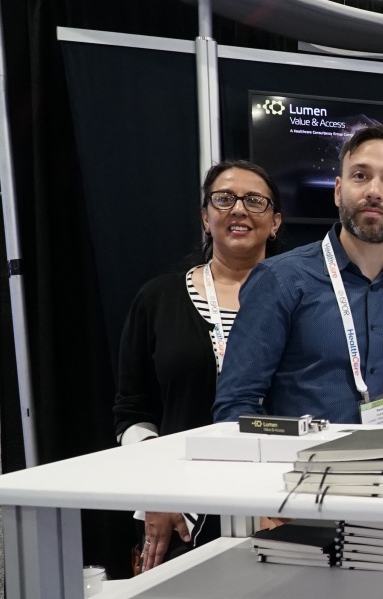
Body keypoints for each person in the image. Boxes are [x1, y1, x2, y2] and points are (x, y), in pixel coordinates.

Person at [214, 124, 383, 426]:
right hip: (304, 455)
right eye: (360, 176)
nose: (374, 191)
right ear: (338, 191)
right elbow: (235, 406)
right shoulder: (279, 279)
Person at [115, 160, 283, 572]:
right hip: (182, 507)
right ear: (206, 218)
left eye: (255, 200)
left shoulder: (304, 301)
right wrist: (158, 493)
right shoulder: (158, 299)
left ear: (275, 222)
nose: (238, 209)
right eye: (223, 199)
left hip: (281, 501)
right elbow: (132, 410)